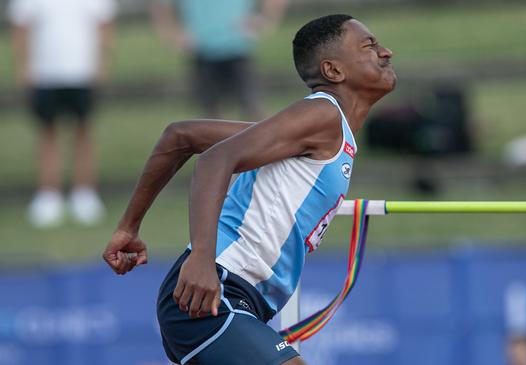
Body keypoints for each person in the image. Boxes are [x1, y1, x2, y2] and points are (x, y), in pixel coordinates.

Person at [102, 14, 396, 365]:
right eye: (370, 46)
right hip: (215, 292)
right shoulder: (322, 116)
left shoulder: (303, 130)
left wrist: (128, 228)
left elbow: (181, 136)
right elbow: (213, 161)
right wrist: (202, 258)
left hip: (236, 300)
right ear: (333, 71)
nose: (386, 52)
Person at [8, 0, 116, 228]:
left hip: (82, 72)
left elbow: (105, 25)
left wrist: (102, 64)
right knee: (47, 133)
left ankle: (84, 193)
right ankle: (49, 194)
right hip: (44, 74)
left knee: (83, 132)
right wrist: (23, 67)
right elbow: (20, 27)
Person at [150, 0, 287, 120]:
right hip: (201, 49)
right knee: (210, 117)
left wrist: (267, 18)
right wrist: (170, 33)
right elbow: (159, 5)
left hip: (238, 47)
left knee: (254, 111)